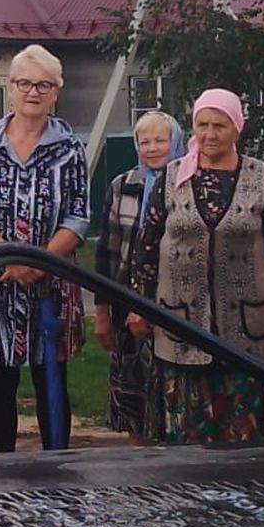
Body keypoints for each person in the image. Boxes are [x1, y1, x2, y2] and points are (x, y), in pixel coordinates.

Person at [128, 89, 264, 443]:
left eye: (219, 126)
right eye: (202, 125)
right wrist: (139, 304)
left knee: (244, 440)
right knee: (187, 442)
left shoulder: (259, 176)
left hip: (245, 328)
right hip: (181, 323)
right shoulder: (172, 177)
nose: (209, 134)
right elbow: (146, 247)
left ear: (236, 127)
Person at [0, 44, 89, 452]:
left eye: (43, 85)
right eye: (25, 83)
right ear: (11, 88)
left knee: (52, 382)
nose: (33, 92)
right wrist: (8, 258)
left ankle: (56, 470)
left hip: (53, 284)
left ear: (56, 92)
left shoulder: (70, 147)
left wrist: (40, 262)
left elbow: (79, 215)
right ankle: (1, 471)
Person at [95, 111, 177, 437]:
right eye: (145, 142)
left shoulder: (187, 184)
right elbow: (107, 252)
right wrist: (103, 312)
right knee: (135, 405)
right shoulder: (122, 186)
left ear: (176, 142)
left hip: (175, 307)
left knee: (173, 403)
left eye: (160, 141)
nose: (152, 148)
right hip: (127, 307)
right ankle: (140, 463)